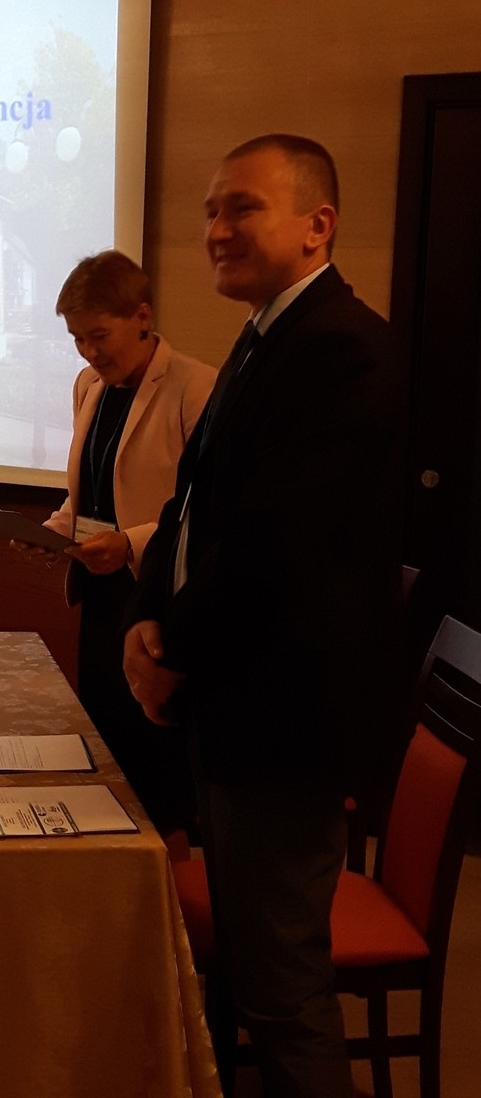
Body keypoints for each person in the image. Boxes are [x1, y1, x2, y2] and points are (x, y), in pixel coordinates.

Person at [122, 135, 404, 1097]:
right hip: (236, 706)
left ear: (316, 226)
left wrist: (172, 647)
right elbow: (191, 507)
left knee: (280, 990)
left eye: (241, 207)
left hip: (285, 727)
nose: (214, 230)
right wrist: (147, 616)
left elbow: (276, 548)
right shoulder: (262, 338)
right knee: (252, 972)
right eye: (210, 210)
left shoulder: (340, 349)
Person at [12, 249, 215, 837]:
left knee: (158, 771)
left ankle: (163, 881)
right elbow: (91, 491)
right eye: (78, 339)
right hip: (101, 598)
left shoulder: (196, 388)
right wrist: (57, 528)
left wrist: (130, 544)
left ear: (142, 316)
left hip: (158, 603)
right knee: (108, 755)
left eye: (99, 336)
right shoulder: (89, 386)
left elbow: (204, 512)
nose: (89, 353)